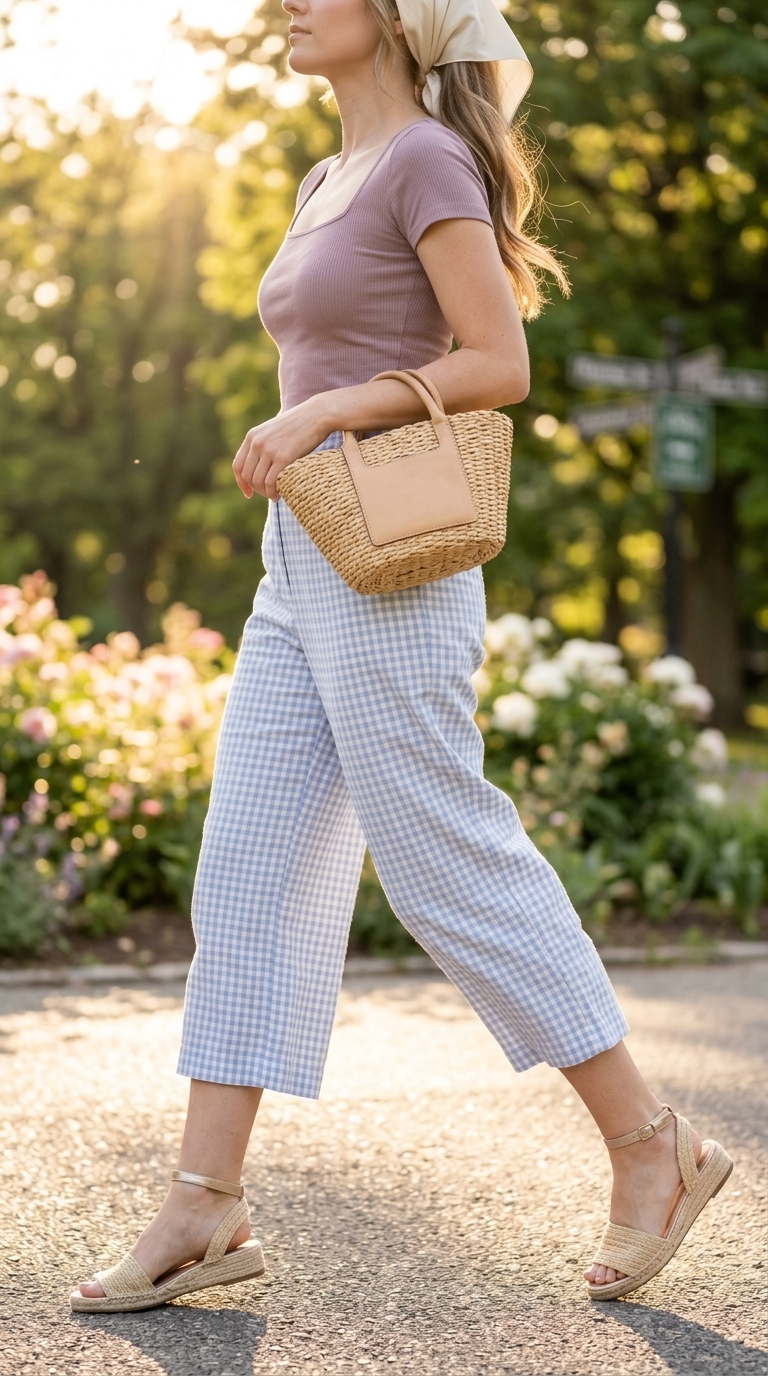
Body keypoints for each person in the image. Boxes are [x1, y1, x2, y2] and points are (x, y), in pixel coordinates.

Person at [72, 0, 731, 1313]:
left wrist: (327, 406)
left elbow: (500, 360)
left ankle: (653, 1145)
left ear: (395, 16)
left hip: (397, 559)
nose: (287, 7)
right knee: (250, 864)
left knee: (440, 855)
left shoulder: (430, 157)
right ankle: (206, 1205)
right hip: (296, 563)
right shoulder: (330, 174)